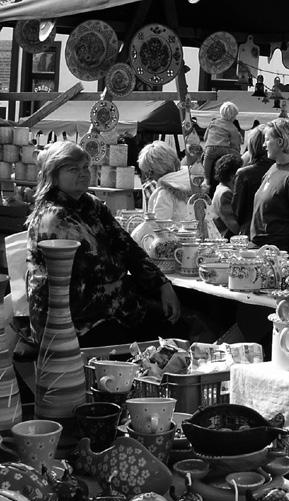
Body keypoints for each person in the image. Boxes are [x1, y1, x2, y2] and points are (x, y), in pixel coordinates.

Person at [26, 141, 181, 347]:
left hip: (107, 307)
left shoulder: (91, 205)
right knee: (150, 341)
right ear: (53, 176)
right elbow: (96, 272)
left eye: (85, 167)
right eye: (73, 169)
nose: (82, 173)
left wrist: (162, 284)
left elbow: (126, 246)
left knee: (177, 325)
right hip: (73, 321)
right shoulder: (54, 218)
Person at [250, 118, 289, 259]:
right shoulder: (272, 168)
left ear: (280, 142)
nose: (264, 145)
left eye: (267, 139)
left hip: (277, 256)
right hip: (259, 252)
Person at [138, 141, 194, 222]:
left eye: (149, 173)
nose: (150, 178)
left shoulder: (165, 193)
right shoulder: (194, 180)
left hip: (177, 234)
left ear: (158, 169)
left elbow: (159, 225)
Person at [232, 125, 272, 237]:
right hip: (274, 232)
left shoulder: (244, 174)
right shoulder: (280, 170)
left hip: (250, 231)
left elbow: (237, 210)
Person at [203, 101, 243, 196]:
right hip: (224, 149)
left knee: (207, 162)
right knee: (238, 158)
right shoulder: (232, 127)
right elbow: (235, 144)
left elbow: (205, 137)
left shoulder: (213, 123)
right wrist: (237, 152)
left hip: (210, 148)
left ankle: (206, 181)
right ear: (233, 117)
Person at [211, 153, 242, 239]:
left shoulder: (220, 188)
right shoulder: (225, 193)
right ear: (233, 176)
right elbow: (233, 225)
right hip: (227, 239)